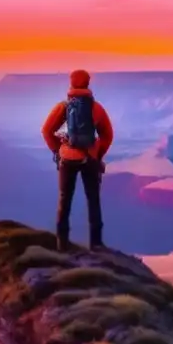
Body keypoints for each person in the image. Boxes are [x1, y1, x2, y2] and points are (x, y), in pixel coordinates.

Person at [41, 69, 114, 251]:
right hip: (89, 158)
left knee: (64, 200)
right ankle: (96, 244)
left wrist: (58, 149)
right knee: (93, 200)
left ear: (71, 83)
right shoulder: (96, 108)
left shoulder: (64, 107)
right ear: (88, 83)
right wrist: (97, 153)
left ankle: (62, 245)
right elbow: (108, 135)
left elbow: (46, 131)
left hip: (67, 158)